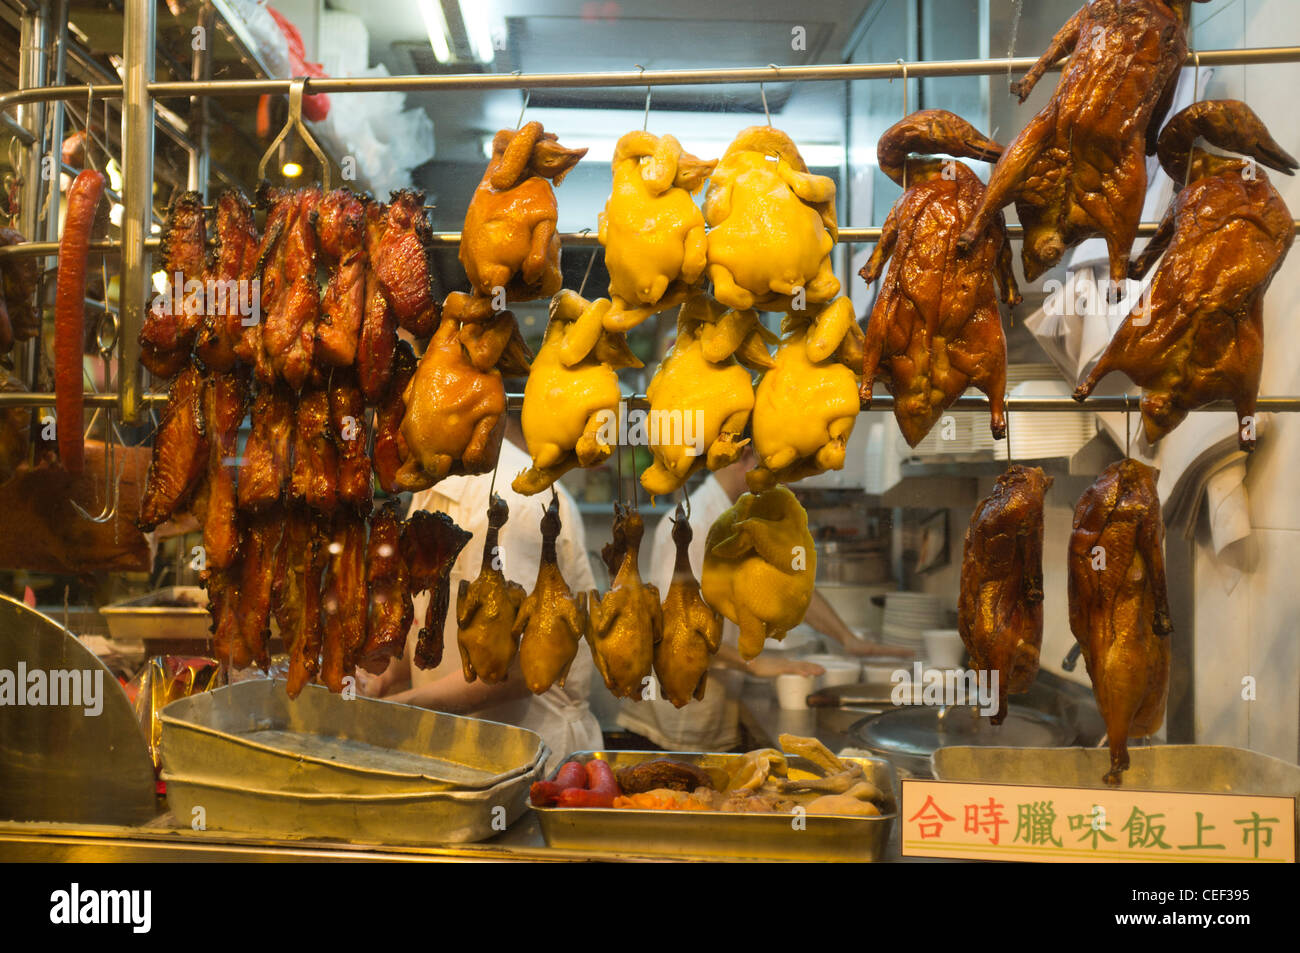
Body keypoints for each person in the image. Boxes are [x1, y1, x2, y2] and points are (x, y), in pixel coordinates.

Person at [617, 446, 905, 751]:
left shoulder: (745, 517)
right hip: (679, 717)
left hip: (718, 700)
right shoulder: (696, 523)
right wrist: (755, 665)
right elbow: (677, 629)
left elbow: (790, 586)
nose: (785, 482)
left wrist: (847, 639)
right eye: (778, 471)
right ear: (746, 459)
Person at [363, 417, 602, 772]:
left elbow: (519, 666)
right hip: (461, 750)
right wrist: (381, 680)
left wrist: (404, 708)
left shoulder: (512, 499)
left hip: (527, 759)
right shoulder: (431, 487)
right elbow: (421, 618)